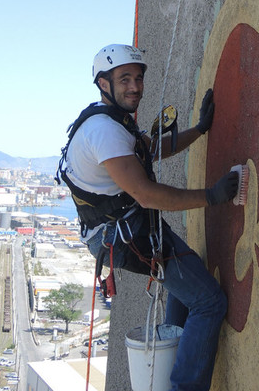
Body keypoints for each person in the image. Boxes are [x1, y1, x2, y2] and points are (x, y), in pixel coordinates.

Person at [57, 43, 238, 391]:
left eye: (138, 78)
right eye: (124, 79)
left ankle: (178, 351)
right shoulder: (105, 132)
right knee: (209, 301)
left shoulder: (108, 120)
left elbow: (150, 149)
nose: (135, 87)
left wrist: (199, 130)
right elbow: (147, 194)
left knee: (189, 283)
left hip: (120, 229)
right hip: (127, 235)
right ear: (103, 83)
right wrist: (211, 197)